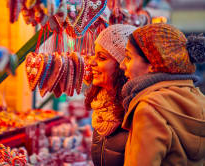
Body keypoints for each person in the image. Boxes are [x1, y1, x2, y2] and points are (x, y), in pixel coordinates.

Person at [119, 23, 205, 166]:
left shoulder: (149, 109)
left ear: (153, 64)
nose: (122, 65)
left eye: (128, 57)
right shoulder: (199, 99)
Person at [84, 24, 137, 166]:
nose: (91, 62)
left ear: (122, 66)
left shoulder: (136, 111)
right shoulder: (101, 108)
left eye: (101, 58)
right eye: (94, 55)